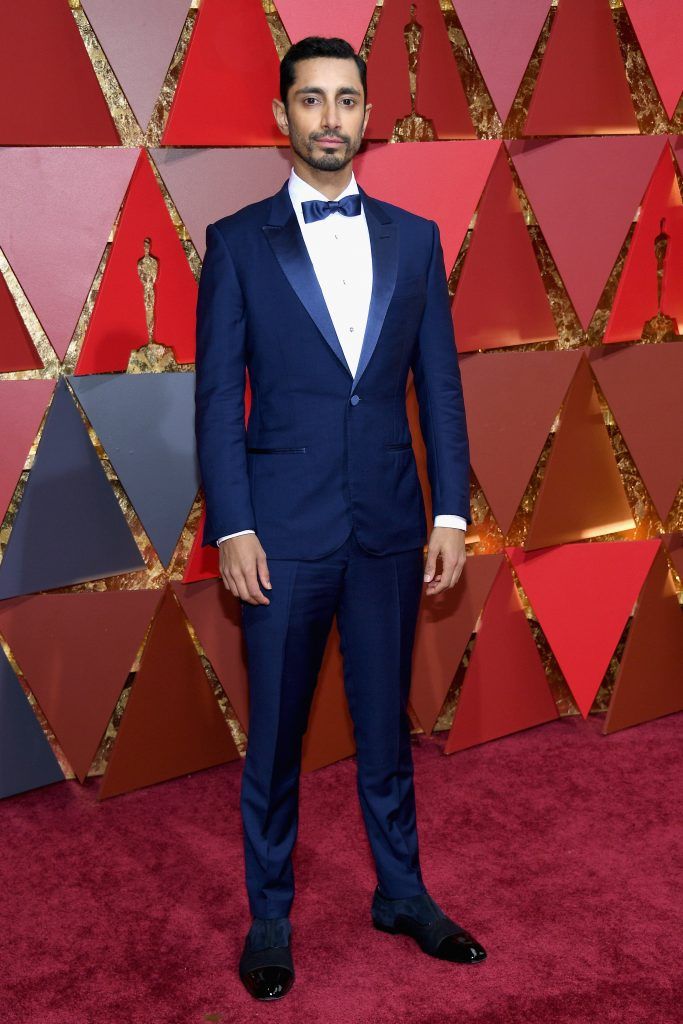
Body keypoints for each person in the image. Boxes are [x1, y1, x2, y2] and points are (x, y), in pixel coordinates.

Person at [194, 35, 485, 1002]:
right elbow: (216, 401)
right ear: (283, 119)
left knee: (384, 733)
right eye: (311, 100)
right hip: (278, 540)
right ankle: (269, 914)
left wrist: (450, 507)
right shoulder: (235, 243)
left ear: (368, 115)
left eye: (346, 100)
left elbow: (437, 388)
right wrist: (232, 527)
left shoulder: (415, 237)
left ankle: (400, 893)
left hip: (391, 532)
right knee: (275, 740)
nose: (330, 117)